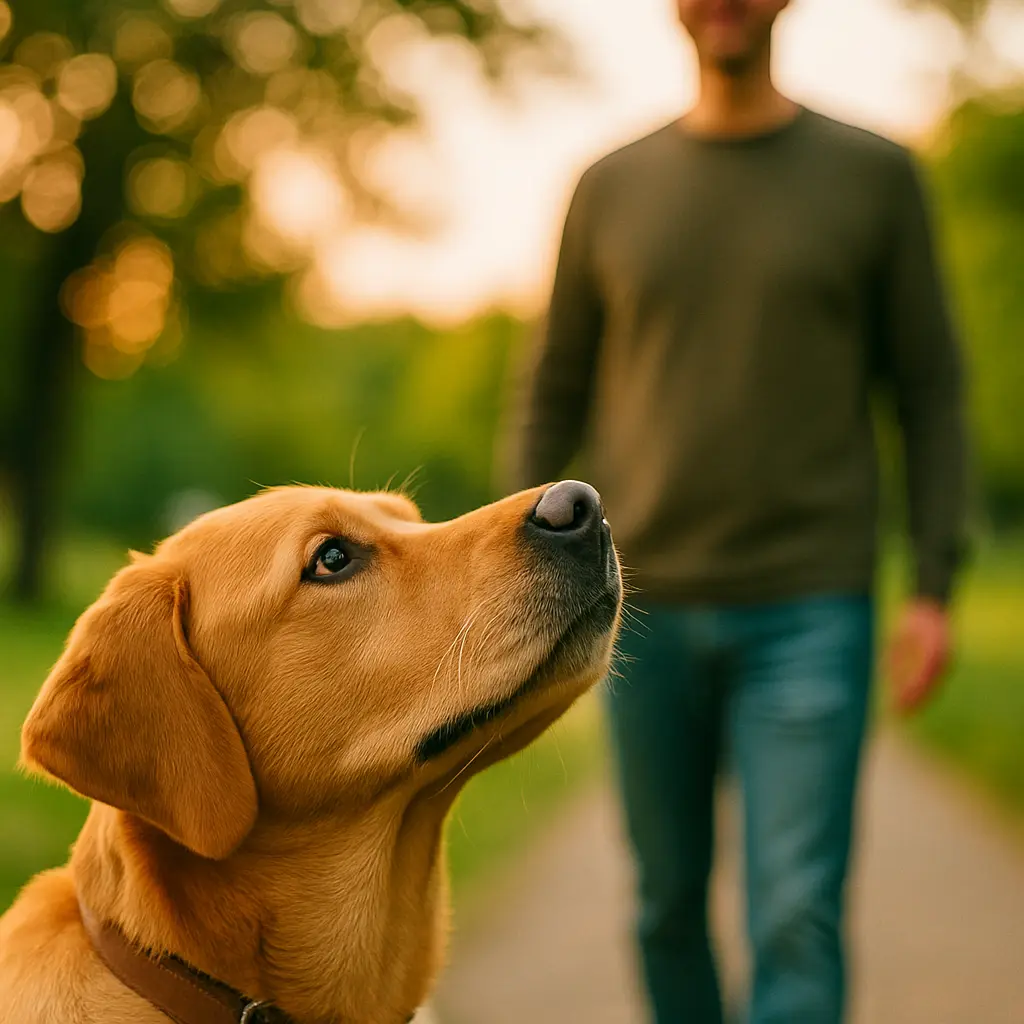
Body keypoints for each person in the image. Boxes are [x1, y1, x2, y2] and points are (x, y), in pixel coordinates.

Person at [502, 1, 969, 1022]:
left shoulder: (874, 175)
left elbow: (930, 389)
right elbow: (551, 391)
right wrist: (497, 586)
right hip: (642, 612)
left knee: (795, 912)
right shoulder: (608, 186)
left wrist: (933, 580)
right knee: (664, 905)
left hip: (812, 604)